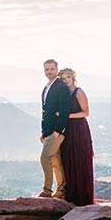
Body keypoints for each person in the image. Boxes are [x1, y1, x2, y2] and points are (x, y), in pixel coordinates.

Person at [58, 68, 95, 206]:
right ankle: (71, 196)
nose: (66, 80)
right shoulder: (64, 94)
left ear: (73, 77)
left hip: (79, 129)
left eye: (68, 77)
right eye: (63, 78)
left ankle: (83, 198)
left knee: (80, 160)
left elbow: (86, 112)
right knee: (68, 160)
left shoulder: (78, 92)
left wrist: (67, 116)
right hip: (68, 130)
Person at [39, 59, 71, 199]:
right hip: (48, 131)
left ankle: (47, 191)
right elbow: (46, 111)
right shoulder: (47, 87)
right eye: (47, 69)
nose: (49, 71)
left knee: (44, 158)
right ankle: (61, 190)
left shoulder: (61, 87)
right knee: (55, 160)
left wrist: (58, 131)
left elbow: (65, 111)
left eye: (52, 69)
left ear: (57, 70)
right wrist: (43, 132)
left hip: (56, 131)